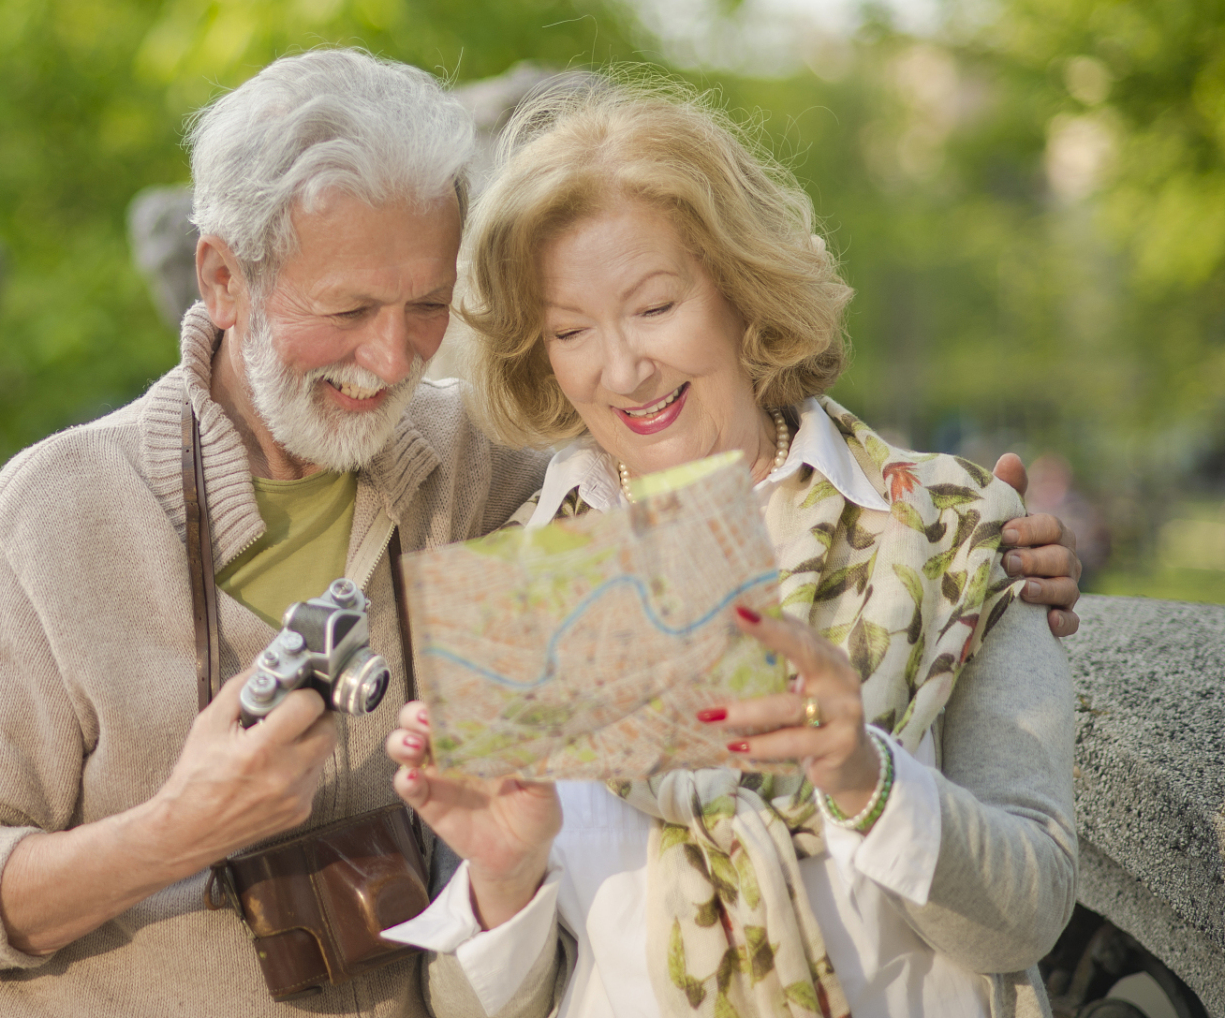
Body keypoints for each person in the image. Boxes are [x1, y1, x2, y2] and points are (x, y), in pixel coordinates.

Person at [0, 50, 1084, 1017]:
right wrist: (171, 833)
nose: (391, 360)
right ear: (221, 279)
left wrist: (988, 557)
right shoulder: (47, 521)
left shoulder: (506, 488)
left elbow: (758, 477)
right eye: (344, 309)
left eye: (425, 309)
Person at [381, 75, 1078, 1018]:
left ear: (742, 293)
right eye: (571, 330)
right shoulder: (528, 581)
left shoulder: (954, 533)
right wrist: (504, 881)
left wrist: (867, 780)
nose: (623, 368)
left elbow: (1027, 919)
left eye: (656, 307)